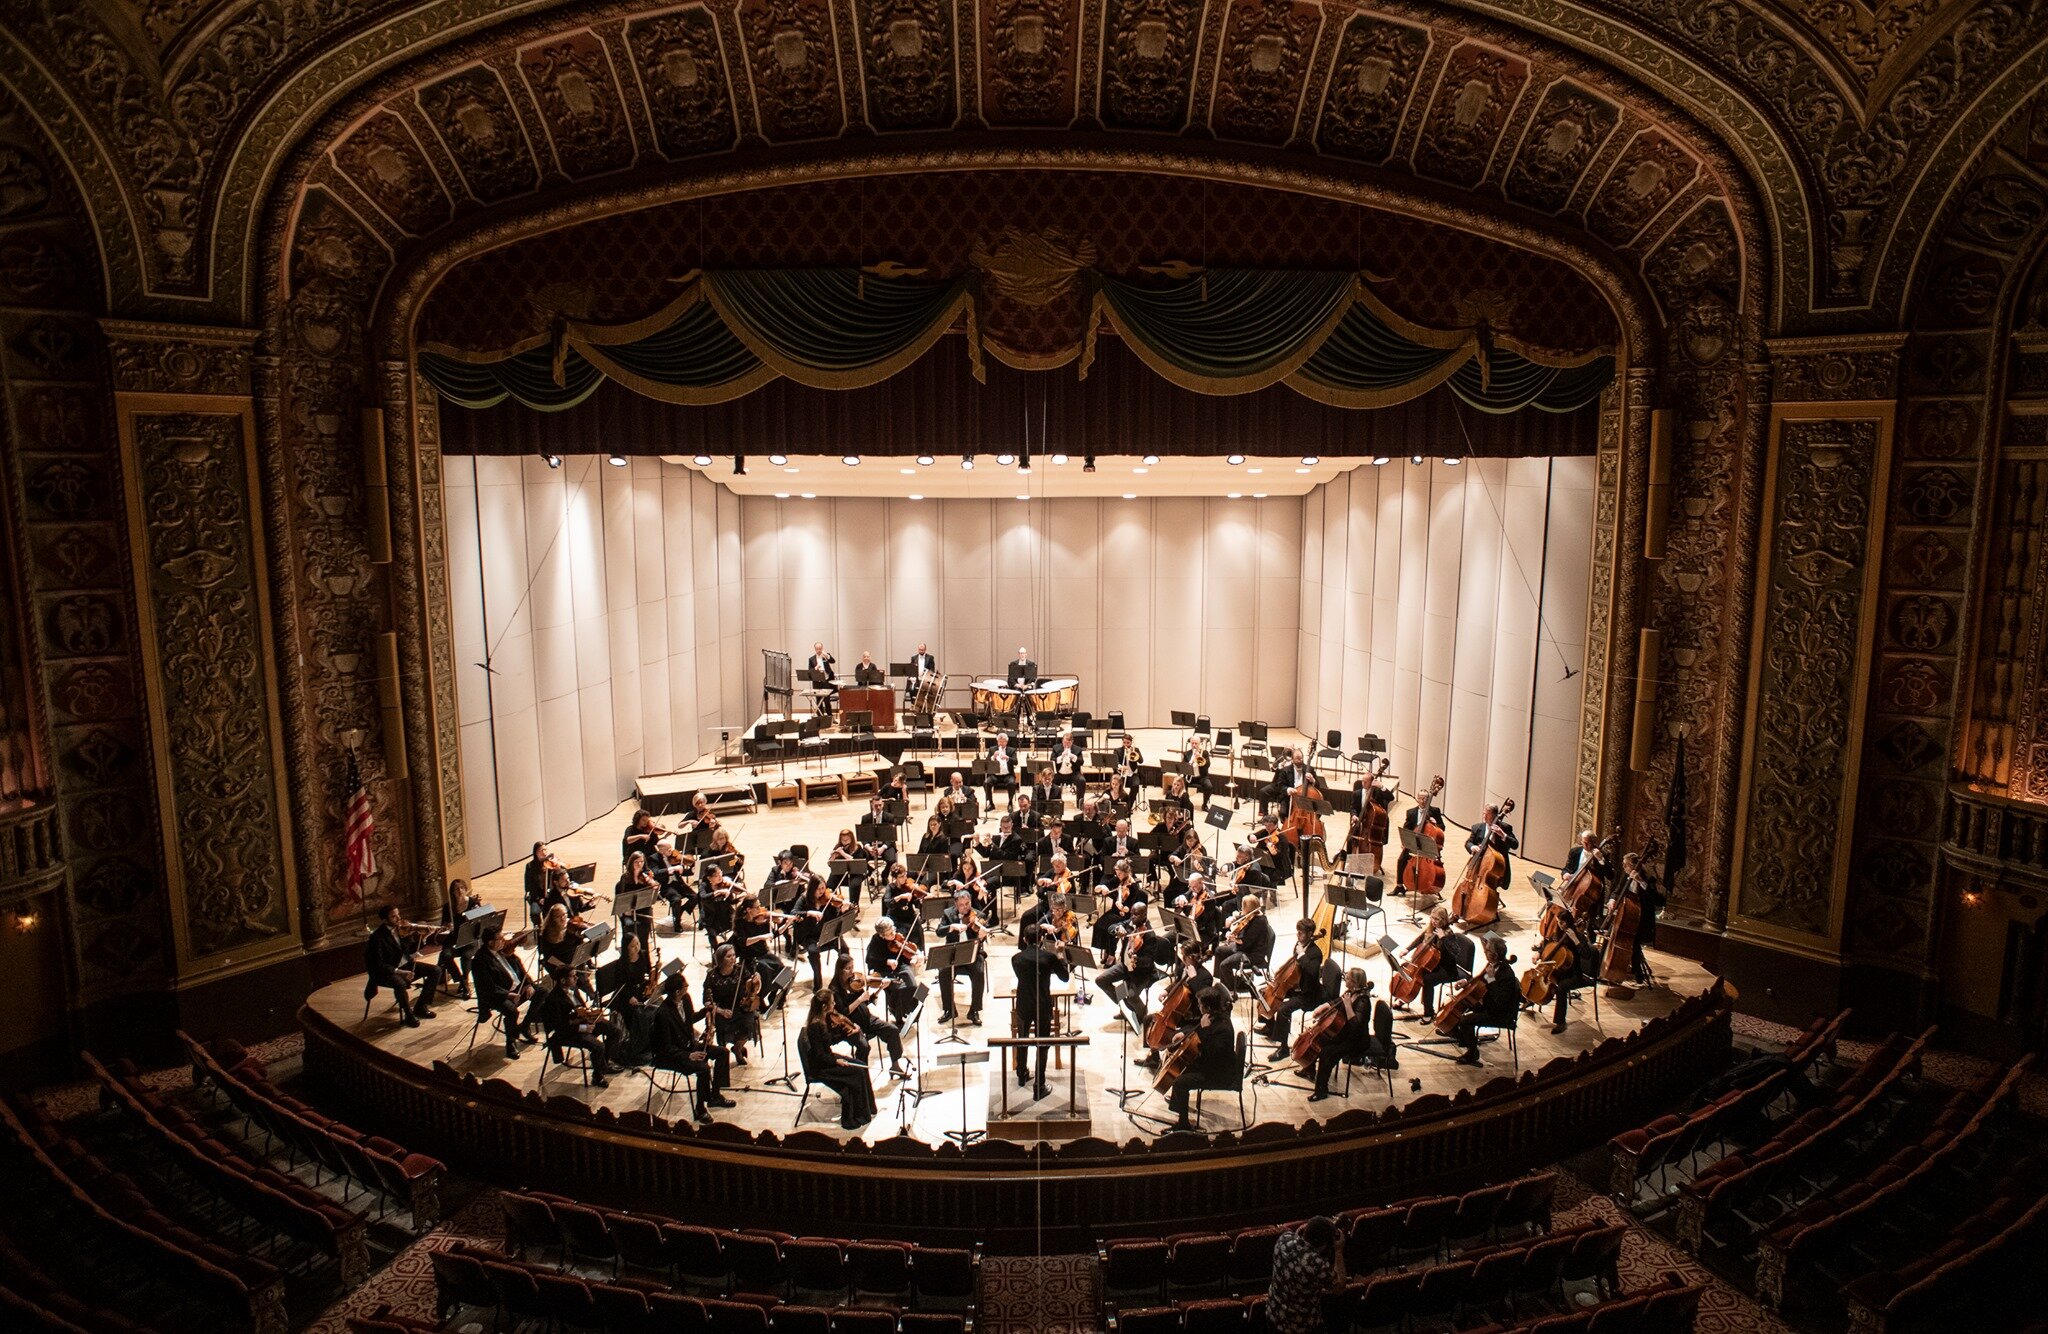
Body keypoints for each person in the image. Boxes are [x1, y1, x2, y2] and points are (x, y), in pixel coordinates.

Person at [651, 972, 735, 1122]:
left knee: (722, 1053)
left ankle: (714, 1096)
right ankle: (700, 1109)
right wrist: (688, 1055)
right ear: (677, 991)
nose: (687, 988)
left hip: (688, 1046)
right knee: (703, 1068)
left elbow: (689, 1020)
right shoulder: (663, 1014)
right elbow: (665, 1047)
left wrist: (707, 1011)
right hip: (671, 1055)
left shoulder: (685, 999)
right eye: (685, 986)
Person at [1306, 970, 1393, 1101]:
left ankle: (1321, 1090)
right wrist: (1324, 1006)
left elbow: (1355, 1025)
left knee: (1326, 1052)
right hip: (1347, 1035)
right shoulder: (1351, 993)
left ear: (1354, 982)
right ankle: (1310, 1069)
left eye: (1347, 978)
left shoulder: (1363, 1002)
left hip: (1357, 1041)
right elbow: (1337, 1001)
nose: (1345, 980)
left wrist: (1347, 1006)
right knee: (1321, 1040)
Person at [1009, 922, 1071, 1098]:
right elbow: (1065, 977)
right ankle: (1039, 1085)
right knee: (1042, 1045)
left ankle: (1021, 1075)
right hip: (1042, 1006)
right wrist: (1060, 954)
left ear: (1024, 939)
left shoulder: (1016, 958)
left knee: (1022, 1039)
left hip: (1023, 1005)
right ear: (1042, 939)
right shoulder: (1049, 958)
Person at [1166, 985, 1238, 1132]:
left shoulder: (1223, 1028)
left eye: (1199, 1005)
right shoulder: (1213, 1017)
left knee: (1179, 1082)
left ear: (1207, 1007)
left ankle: (1183, 1124)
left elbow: (1211, 1054)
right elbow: (1196, 1027)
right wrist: (1184, 1034)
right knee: (1180, 1069)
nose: (1198, 1007)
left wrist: (1204, 1031)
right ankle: (1180, 1104)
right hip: (1212, 1065)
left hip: (1219, 1074)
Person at [801, 992, 877, 1130]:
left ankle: (867, 1110)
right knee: (856, 1073)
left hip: (827, 1059)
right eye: (832, 1002)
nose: (834, 1004)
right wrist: (837, 1062)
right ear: (824, 1006)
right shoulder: (815, 1026)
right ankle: (854, 1117)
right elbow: (819, 1055)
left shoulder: (823, 1020)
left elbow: (829, 1041)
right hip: (821, 1067)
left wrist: (848, 1033)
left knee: (861, 1066)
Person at [539, 964, 618, 1087]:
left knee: (614, 1030)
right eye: (573, 976)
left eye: (576, 975)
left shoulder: (574, 990)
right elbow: (561, 1027)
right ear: (563, 980)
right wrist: (584, 1028)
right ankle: (597, 1077)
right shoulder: (553, 999)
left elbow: (582, 1009)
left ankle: (603, 1065)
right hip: (569, 1032)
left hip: (582, 1023)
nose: (577, 978)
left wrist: (593, 1017)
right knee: (598, 1046)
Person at [832, 952, 909, 1079]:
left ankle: (895, 1066)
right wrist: (859, 1000)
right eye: (848, 968)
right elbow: (844, 1012)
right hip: (851, 1025)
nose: (852, 972)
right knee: (864, 1047)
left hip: (867, 1018)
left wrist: (879, 989)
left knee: (893, 1030)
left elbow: (866, 1001)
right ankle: (862, 1076)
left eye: (852, 967)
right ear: (840, 970)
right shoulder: (835, 989)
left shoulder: (855, 982)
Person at [1257, 919, 1325, 1058]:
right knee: (1263, 991)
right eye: (1297, 932)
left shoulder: (1315, 953)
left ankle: (1283, 1049)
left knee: (1283, 1010)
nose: (1297, 935)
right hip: (1296, 985)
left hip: (1308, 993)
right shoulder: (1299, 945)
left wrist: (1301, 955)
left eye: (1301, 933)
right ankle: (1270, 1026)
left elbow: (1312, 972)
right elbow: (1294, 967)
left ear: (1310, 934)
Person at [1096, 906, 1173, 1028]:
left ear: (1144, 915)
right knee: (1101, 980)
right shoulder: (1129, 924)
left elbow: (1148, 961)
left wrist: (1137, 960)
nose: (1132, 917)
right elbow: (1110, 928)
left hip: (1142, 972)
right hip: (1125, 966)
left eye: (1136, 914)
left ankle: (1142, 1014)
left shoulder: (1149, 935)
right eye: (1131, 914)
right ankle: (1125, 1007)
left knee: (1131, 996)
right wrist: (1117, 928)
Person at [364, 904, 440, 1026]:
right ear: (385, 919)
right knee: (400, 983)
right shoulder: (377, 937)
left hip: (405, 965)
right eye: (393, 916)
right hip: (386, 972)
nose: (398, 918)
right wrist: (400, 972)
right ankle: (408, 1014)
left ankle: (421, 1006)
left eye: (398, 914)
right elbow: (378, 964)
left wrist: (425, 937)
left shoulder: (402, 930)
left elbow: (410, 951)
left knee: (436, 970)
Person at [1267, 1217, 1346, 1334]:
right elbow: (1339, 1287)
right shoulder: (1317, 1265)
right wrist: (1338, 1251)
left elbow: (1296, 1237)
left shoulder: (1283, 1240)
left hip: (1274, 1317)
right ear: (1325, 1243)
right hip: (1302, 1326)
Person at [1451, 935, 1520, 1066]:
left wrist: (1491, 980)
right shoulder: (1493, 965)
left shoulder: (1506, 975)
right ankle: (1464, 1038)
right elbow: (1480, 979)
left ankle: (1472, 1052)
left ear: (1494, 955)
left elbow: (1499, 1001)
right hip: (1490, 1005)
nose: (1485, 953)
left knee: (1465, 1020)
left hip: (1501, 1014)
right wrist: (1466, 982)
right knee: (1461, 1007)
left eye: (1487, 951)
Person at [473, 926, 537, 1058]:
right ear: (490, 942)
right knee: (512, 1011)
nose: (504, 940)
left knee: (542, 992)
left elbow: (520, 968)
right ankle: (511, 1044)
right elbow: (487, 987)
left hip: (516, 988)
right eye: (500, 939)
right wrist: (508, 994)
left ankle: (524, 1026)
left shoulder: (504, 951)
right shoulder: (480, 960)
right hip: (496, 995)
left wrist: (528, 984)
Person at [934, 889, 987, 1024]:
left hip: (972, 954)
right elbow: (939, 932)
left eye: (967, 903)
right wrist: (951, 927)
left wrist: (981, 937)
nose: (965, 907)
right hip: (953, 953)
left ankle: (974, 1011)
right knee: (943, 973)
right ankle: (949, 1009)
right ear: (956, 904)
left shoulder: (978, 914)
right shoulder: (948, 914)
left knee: (979, 973)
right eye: (962, 904)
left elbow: (981, 939)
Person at [703, 943, 759, 1065]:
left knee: (748, 1023)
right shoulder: (712, 975)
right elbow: (707, 1001)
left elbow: (752, 985)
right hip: (721, 1009)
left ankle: (737, 1049)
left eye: (734, 955)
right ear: (720, 959)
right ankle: (723, 1055)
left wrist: (756, 979)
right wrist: (721, 1011)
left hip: (741, 1006)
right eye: (729, 956)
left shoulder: (740, 970)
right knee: (722, 1026)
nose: (733, 958)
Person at [866, 918, 925, 1021]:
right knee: (899, 989)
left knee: (913, 986)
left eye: (893, 930)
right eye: (889, 934)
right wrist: (887, 961)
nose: (893, 934)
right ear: (882, 935)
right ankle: (897, 1015)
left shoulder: (898, 936)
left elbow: (908, 951)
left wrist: (916, 956)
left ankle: (912, 1012)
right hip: (884, 970)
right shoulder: (876, 940)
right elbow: (869, 959)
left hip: (900, 966)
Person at [1216, 892, 1274, 994]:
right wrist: (1234, 918)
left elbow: (1246, 943)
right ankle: (1224, 981)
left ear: (1249, 909)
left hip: (1252, 954)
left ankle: (1230, 991)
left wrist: (1233, 938)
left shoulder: (1259, 922)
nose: (1241, 909)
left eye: (1243, 907)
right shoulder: (1252, 915)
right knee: (1219, 950)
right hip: (1246, 948)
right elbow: (1242, 917)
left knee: (1224, 965)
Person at [1466, 804, 1520, 883]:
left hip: (1496, 867)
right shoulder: (1477, 827)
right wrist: (1472, 847)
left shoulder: (1504, 828)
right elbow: (1468, 843)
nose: (1484, 816)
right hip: (1478, 863)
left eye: (1487, 814)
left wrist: (1503, 835)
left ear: (1494, 815)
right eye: (1484, 813)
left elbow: (1515, 845)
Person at [984, 731, 1018, 809]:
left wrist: (1007, 757)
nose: (1001, 744)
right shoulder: (992, 749)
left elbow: (1015, 762)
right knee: (986, 783)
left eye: (1003, 742)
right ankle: (991, 803)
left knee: (1012, 783)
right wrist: (993, 757)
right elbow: (986, 761)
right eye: (1000, 742)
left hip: (1008, 775)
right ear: (997, 741)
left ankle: (1010, 803)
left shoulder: (1011, 750)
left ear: (1006, 742)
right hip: (995, 775)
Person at [806, 641, 838, 715]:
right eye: (817, 649)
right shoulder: (811, 659)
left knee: (827, 700)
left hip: (826, 681)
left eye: (820, 648)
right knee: (818, 700)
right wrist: (815, 668)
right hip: (817, 682)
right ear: (815, 649)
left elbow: (833, 661)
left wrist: (827, 655)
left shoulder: (826, 656)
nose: (819, 650)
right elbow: (810, 671)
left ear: (822, 648)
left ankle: (830, 717)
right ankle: (820, 718)